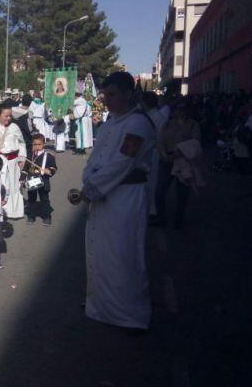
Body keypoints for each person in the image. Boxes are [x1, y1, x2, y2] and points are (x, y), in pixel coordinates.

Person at [80, 71, 155, 331]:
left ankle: (131, 315)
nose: (107, 100)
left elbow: (123, 162)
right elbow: (95, 157)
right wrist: (88, 178)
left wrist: (92, 188)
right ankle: (100, 306)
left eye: (112, 94)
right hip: (103, 194)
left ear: (128, 94)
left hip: (126, 198)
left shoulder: (138, 124)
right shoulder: (110, 122)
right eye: (105, 94)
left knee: (123, 254)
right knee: (101, 253)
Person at [155, 101, 201, 228]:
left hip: (183, 160)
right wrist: (164, 154)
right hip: (166, 160)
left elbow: (195, 142)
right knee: (160, 191)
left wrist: (178, 153)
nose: (181, 111)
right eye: (179, 109)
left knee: (182, 192)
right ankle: (161, 217)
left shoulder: (193, 125)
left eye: (184, 109)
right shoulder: (168, 124)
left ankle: (179, 218)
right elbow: (160, 140)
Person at [0, 103, 25, 219]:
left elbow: (21, 143)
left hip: (13, 161)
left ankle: (15, 211)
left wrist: (22, 158)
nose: (8, 118)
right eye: (6, 116)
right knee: (0, 185)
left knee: (14, 185)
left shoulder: (14, 127)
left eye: (10, 116)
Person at [140, 92, 168, 220]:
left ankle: (152, 210)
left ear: (145, 103)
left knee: (151, 182)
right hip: (154, 152)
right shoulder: (159, 117)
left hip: (153, 152)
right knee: (153, 182)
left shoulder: (149, 118)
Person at [23, 134, 57, 226]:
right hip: (31, 181)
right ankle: (31, 216)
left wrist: (49, 170)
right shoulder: (30, 156)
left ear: (43, 144)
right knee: (31, 199)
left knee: (44, 200)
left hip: (43, 181)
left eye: (39, 144)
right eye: (35, 144)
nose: (37, 146)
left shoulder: (49, 156)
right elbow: (25, 169)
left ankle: (47, 217)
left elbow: (53, 167)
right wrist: (21, 179)